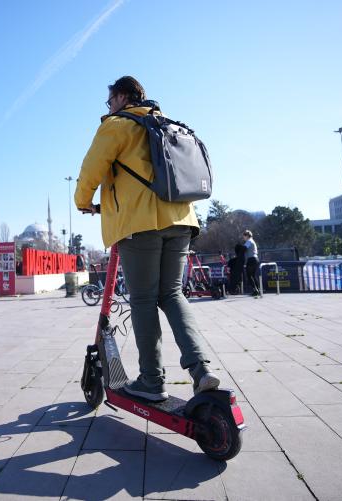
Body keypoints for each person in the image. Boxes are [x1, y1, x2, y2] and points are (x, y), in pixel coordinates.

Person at [74, 76, 221, 402]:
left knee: (142, 299)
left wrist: (83, 202)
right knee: (171, 294)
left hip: (140, 224)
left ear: (122, 96)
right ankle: (200, 370)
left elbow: (91, 170)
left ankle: (152, 382)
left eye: (110, 100)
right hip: (182, 220)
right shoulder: (164, 123)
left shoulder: (117, 125)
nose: (109, 106)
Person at [242, 230, 260, 296]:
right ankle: (258, 290)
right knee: (253, 275)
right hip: (256, 259)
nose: (243, 238)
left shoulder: (249, 241)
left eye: (244, 236)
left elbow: (243, 249)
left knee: (249, 276)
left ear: (247, 236)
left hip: (251, 260)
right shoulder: (252, 241)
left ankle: (255, 290)